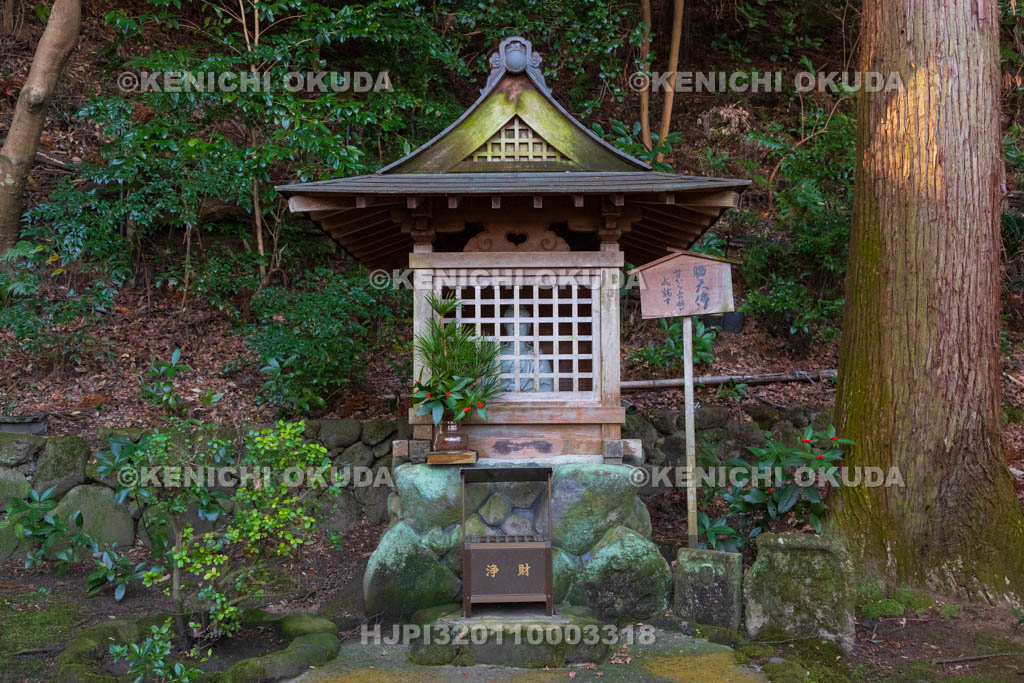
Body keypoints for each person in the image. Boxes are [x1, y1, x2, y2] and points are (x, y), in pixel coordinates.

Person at [498, 304, 554, 392]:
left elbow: (548, 386)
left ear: (528, 326)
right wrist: (507, 385)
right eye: (510, 323)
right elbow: (484, 385)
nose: (515, 328)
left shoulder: (536, 354)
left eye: (521, 324)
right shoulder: (497, 354)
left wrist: (527, 392)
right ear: (505, 325)